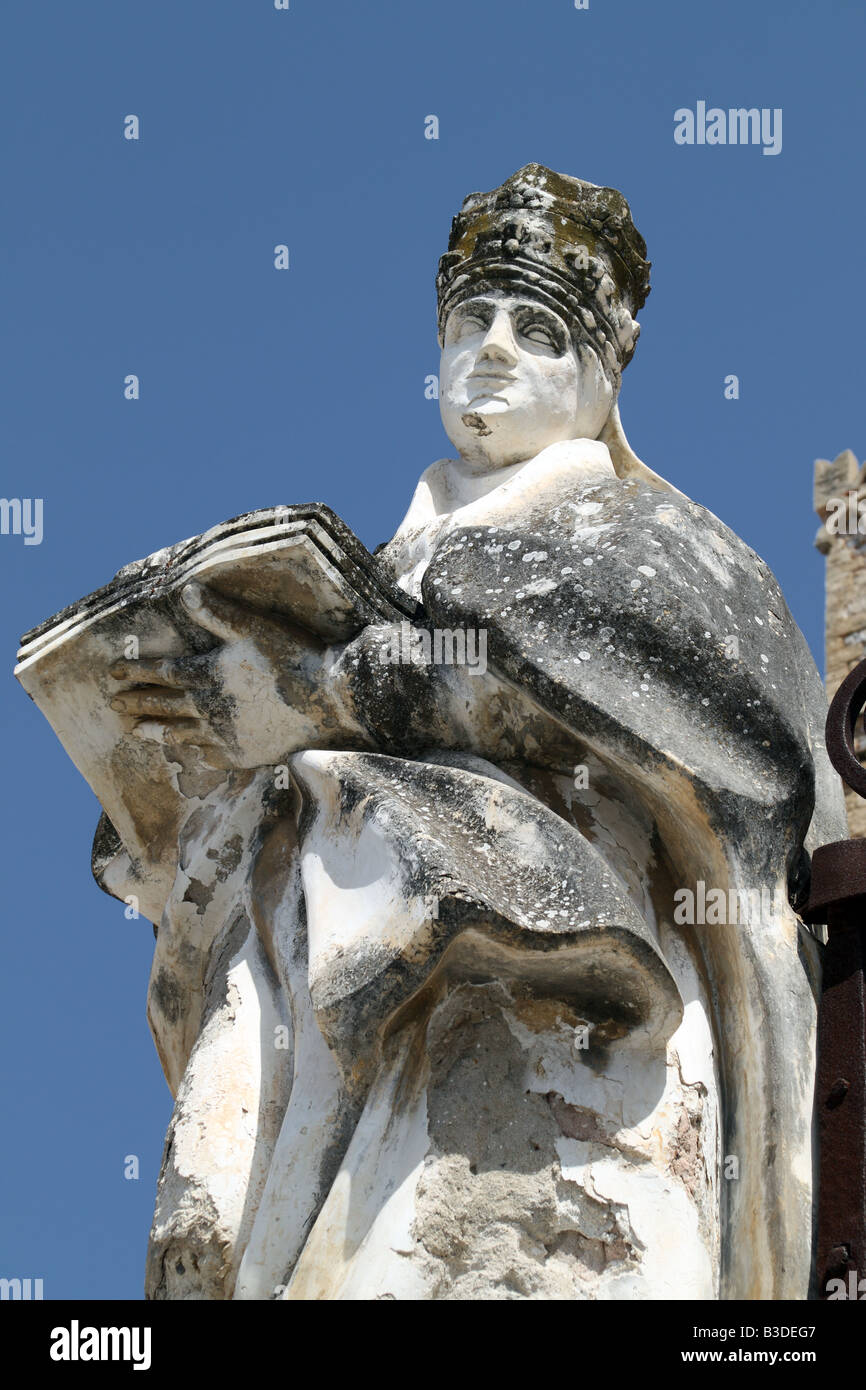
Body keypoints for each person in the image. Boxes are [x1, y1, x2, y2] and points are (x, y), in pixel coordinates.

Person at [105, 165, 845, 1300]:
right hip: (337, 1082)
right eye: (471, 319)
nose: (492, 348)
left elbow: (743, 760)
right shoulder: (373, 570)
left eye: (537, 328)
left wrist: (332, 691)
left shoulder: (667, 551)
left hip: (570, 1065)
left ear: (600, 375)